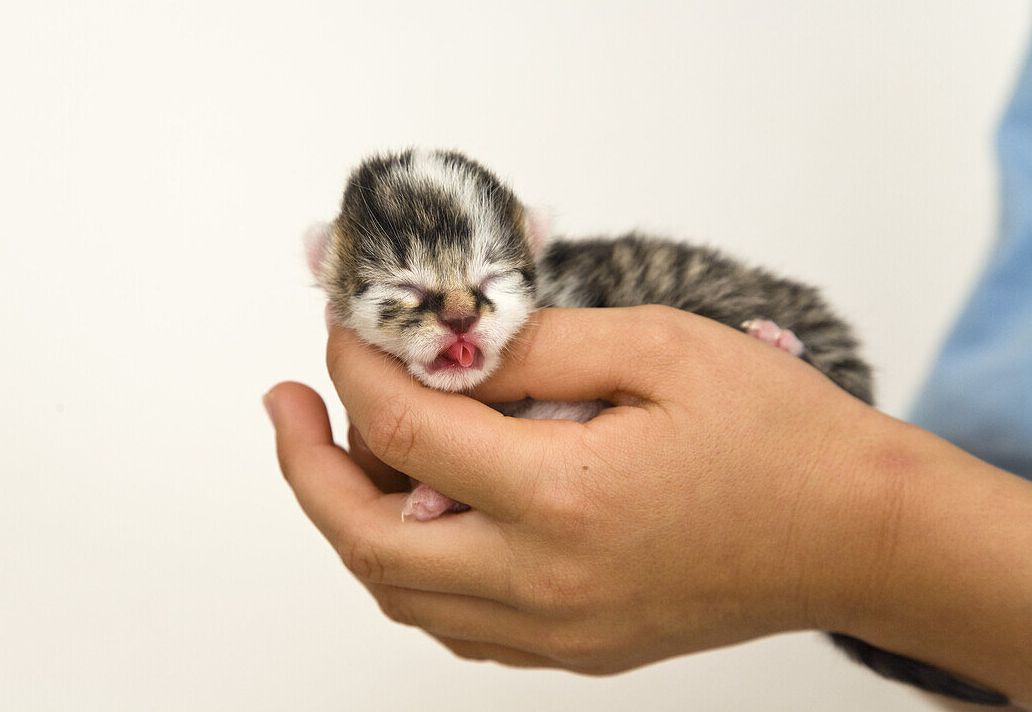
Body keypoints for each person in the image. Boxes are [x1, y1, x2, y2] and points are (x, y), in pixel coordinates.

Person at [264, 40, 1032, 710]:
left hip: (827, 379)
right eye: (409, 297)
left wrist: (853, 539)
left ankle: (780, 354)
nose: (462, 315)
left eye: (495, 284)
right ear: (327, 277)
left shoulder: (567, 315)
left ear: (534, 250)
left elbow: (574, 437)